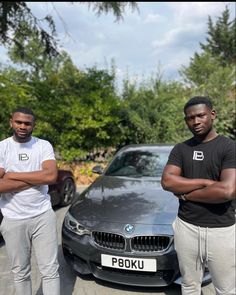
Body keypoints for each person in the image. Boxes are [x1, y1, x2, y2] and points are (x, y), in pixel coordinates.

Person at [161, 96, 236, 295]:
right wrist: (204, 183)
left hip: (221, 230)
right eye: (190, 118)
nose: (195, 122)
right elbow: (167, 181)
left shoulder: (229, 148)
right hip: (187, 227)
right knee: (189, 285)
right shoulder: (181, 149)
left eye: (201, 115)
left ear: (212, 115)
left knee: (225, 289)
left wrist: (185, 195)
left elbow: (227, 191)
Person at [0, 107, 60, 295]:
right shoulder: (2, 147)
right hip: (13, 219)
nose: (23, 126)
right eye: (19, 122)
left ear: (33, 125)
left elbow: (50, 176)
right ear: (11, 122)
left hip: (43, 215)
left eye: (27, 123)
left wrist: (13, 175)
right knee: (20, 272)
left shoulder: (43, 145)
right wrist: (36, 179)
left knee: (50, 271)